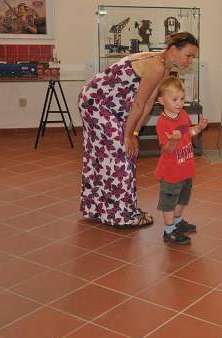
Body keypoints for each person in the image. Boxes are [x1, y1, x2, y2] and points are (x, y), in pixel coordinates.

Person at [78, 32, 199, 228]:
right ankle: (122, 215)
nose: (190, 61)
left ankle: (98, 208)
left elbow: (149, 104)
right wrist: (127, 136)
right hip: (96, 103)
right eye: (188, 55)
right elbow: (139, 103)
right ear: (174, 50)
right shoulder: (157, 65)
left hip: (110, 106)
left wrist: (134, 133)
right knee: (121, 155)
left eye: (193, 57)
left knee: (106, 155)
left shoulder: (165, 68)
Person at [155, 77, 208, 244]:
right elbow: (166, 150)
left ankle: (177, 222)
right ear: (161, 101)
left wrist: (198, 128)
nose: (179, 103)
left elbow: (188, 133)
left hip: (185, 168)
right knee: (169, 200)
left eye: (182, 99)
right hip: (171, 171)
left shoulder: (183, 114)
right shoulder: (162, 123)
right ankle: (169, 231)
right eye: (174, 99)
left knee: (183, 198)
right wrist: (173, 140)